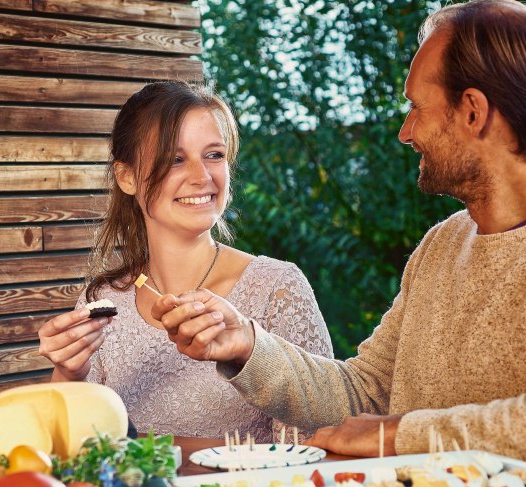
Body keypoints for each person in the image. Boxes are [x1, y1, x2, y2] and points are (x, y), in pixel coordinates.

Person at [153, 0, 526, 478]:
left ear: (473, 112)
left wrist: (399, 435)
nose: (405, 131)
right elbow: (366, 392)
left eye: (417, 106)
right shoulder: (443, 245)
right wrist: (248, 345)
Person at [37, 81, 333, 441]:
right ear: (126, 177)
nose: (202, 177)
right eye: (176, 159)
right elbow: (77, 452)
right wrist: (69, 374)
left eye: (214, 155)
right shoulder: (102, 301)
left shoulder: (278, 289)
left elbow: (312, 448)